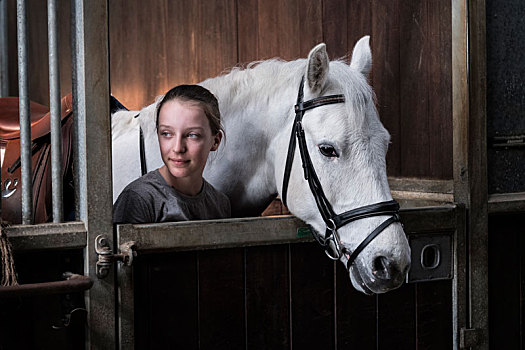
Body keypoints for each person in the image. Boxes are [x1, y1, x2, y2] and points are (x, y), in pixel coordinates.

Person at [113, 85, 230, 224]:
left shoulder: (220, 204)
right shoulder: (139, 199)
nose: (178, 148)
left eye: (192, 135)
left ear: (215, 141)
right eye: (167, 134)